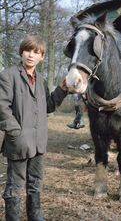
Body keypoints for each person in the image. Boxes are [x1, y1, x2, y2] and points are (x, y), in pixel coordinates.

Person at [0, 35, 68, 221]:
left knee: (35, 181)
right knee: (15, 185)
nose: (31, 55)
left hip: (39, 142)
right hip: (19, 142)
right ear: (21, 52)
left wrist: (62, 90)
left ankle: (35, 216)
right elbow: (1, 106)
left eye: (36, 52)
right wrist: (15, 131)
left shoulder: (41, 80)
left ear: (42, 57)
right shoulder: (9, 75)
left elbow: (49, 105)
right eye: (28, 50)